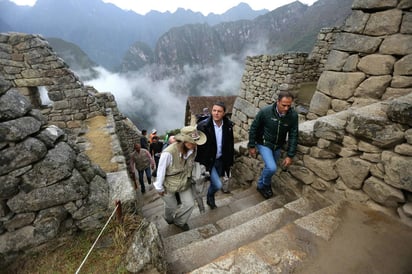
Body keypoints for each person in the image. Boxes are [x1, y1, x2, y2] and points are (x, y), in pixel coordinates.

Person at [154, 126, 206, 231]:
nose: (195, 144)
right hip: (168, 184)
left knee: (190, 204)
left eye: (196, 141)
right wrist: (159, 188)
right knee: (172, 206)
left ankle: (180, 221)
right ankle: (168, 218)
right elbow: (160, 171)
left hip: (184, 182)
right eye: (192, 142)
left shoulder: (193, 149)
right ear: (184, 141)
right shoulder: (168, 153)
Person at [248, 91, 299, 199]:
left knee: (269, 167)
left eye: (289, 106)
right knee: (271, 168)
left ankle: (260, 184)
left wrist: (290, 155)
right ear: (278, 102)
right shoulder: (265, 112)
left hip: (278, 145)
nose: (286, 108)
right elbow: (254, 128)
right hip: (264, 143)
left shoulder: (293, 115)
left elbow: (293, 135)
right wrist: (252, 145)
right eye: (284, 105)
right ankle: (265, 185)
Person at [196, 102, 235, 209]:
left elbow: (230, 144)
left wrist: (230, 160)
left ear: (224, 113)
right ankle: (210, 195)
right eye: (214, 110)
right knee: (218, 184)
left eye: (219, 111)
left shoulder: (228, 126)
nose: (216, 113)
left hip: (221, 159)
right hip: (209, 161)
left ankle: (210, 196)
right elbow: (197, 145)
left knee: (216, 180)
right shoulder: (202, 126)